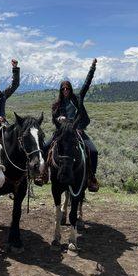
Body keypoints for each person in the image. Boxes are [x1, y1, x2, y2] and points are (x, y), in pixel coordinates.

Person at [42, 59, 99, 191]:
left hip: (77, 131)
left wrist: (92, 68)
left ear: (70, 89)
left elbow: (86, 84)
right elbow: (53, 119)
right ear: (61, 90)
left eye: (67, 88)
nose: (66, 90)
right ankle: (44, 173)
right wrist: (59, 118)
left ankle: (91, 177)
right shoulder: (57, 104)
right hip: (62, 132)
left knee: (93, 151)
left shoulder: (77, 99)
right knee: (45, 147)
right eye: (63, 89)